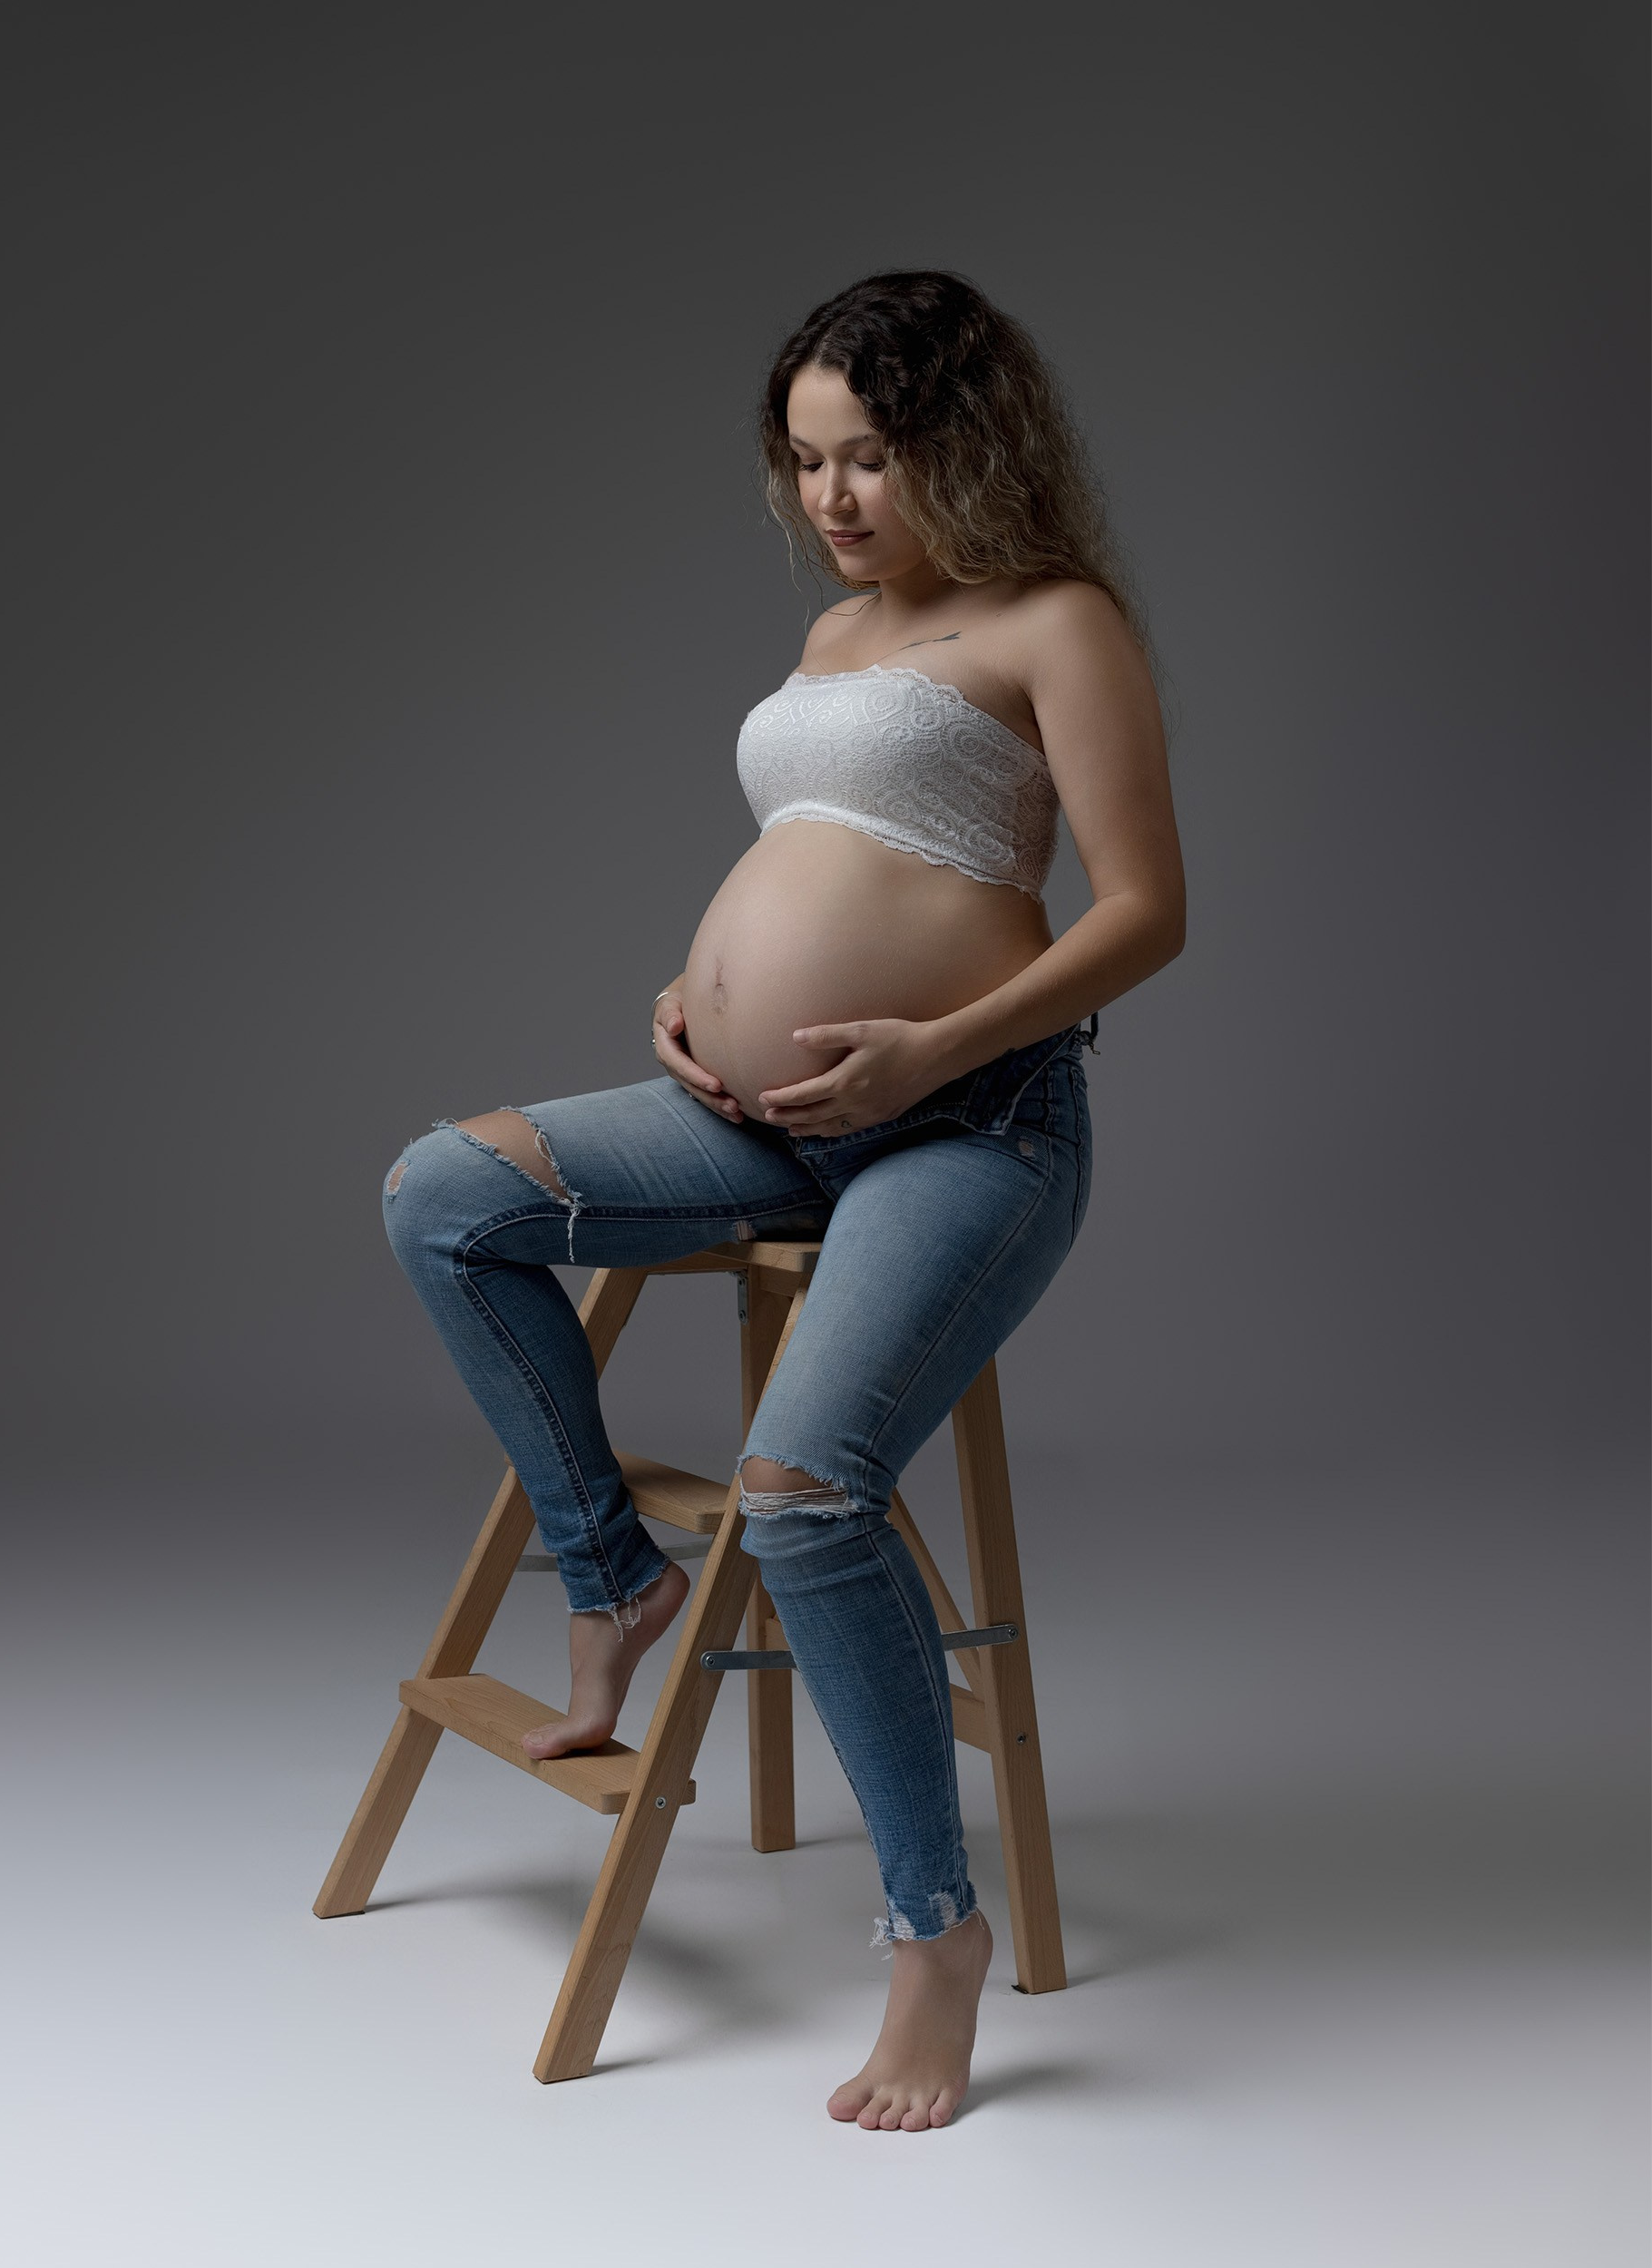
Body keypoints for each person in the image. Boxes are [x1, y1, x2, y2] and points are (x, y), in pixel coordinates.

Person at [379, 269, 1185, 2129]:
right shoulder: (832, 639)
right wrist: (694, 982)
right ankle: (613, 1571)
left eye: (873, 455)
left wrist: (925, 1053)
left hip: (966, 1124)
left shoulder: (1059, 620)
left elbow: (1144, 910)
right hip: (760, 1114)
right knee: (443, 1193)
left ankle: (932, 1935)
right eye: (808, 459)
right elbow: (816, 850)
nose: (834, 497)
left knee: (810, 1491)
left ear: (966, 441)